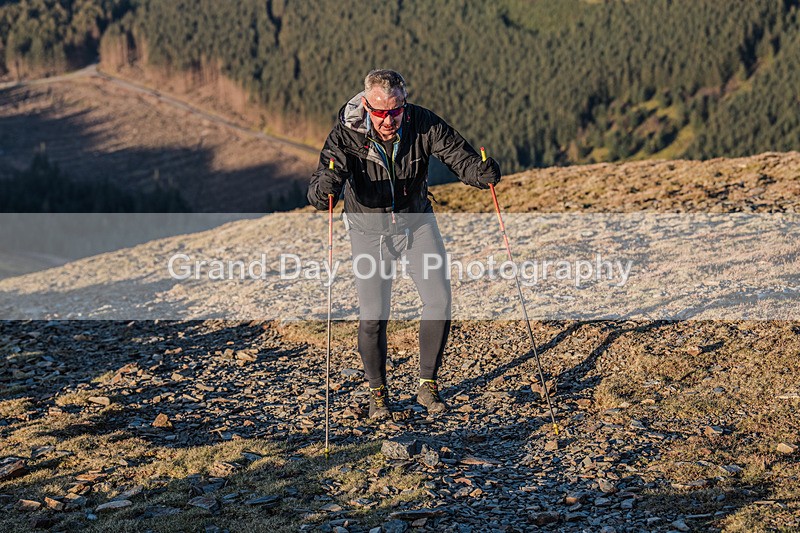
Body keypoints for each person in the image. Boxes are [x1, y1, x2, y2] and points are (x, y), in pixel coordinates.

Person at [307, 69, 500, 419]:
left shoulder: (421, 122)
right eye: (380, 112)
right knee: (372, 317)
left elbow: (460, 156)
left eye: (395, 110)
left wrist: (480, 172)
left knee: (439, 301)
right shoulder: (346, 135)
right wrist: (328, 186)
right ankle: (377, 394)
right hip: (368, 231)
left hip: (417, 223)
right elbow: (319, 191)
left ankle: (427, 387)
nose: (388, 119)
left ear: (403, 103)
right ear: (366, 104)